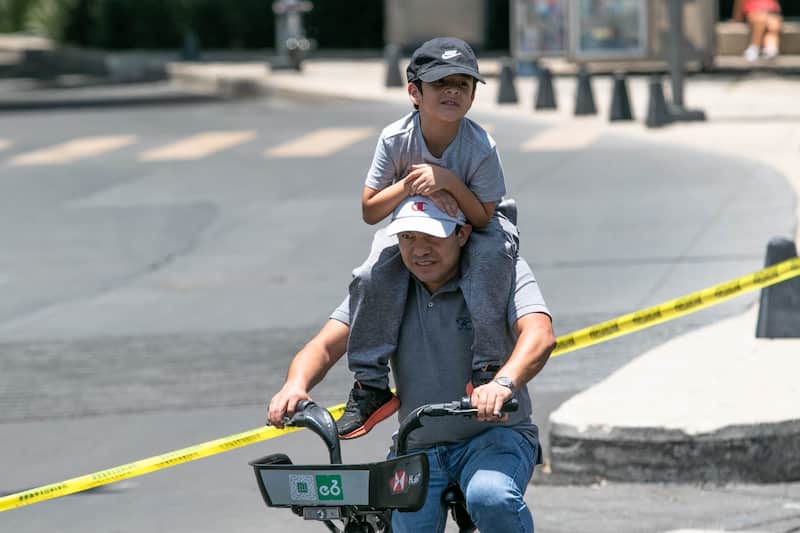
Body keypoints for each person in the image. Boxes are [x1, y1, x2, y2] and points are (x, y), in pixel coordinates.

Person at [268, 195, 556, 532]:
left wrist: (502, 383)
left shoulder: (498, 271)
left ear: (461, 234)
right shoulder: (386, 287)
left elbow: (540, 334)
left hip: (495, 438)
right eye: (408, 238)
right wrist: (295, 385)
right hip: (418, 447)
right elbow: (323, 346)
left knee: (490, 497)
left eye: (432, 237)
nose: (419, 250)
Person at [338, 36, 520, 440]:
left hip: (478, 222)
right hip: (415, 220)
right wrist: (407, 187)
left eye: (463, 84)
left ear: (472, 96)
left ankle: (487, 368)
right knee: (370, 275)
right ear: (414, 93)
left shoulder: (480, 146)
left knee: (490, 261)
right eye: (441, 84)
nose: (453, 91)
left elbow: (484, 215)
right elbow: (371, 211)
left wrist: (449, 181)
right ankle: (370, 385)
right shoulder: (394, 139)